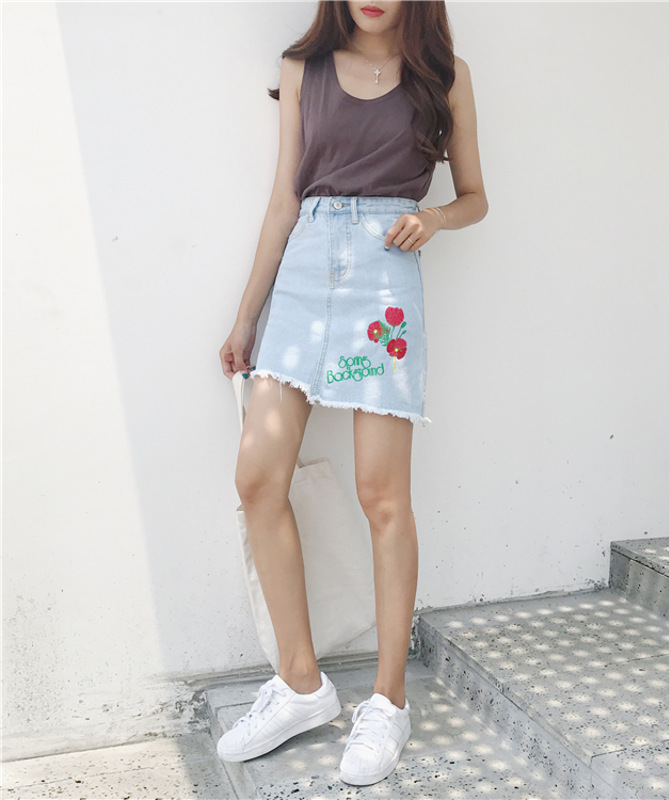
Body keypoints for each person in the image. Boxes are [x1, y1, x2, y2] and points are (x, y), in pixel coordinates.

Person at [217, 0, 487, 787]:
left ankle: (388, 701)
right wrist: (247, 315)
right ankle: (301, 683)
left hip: (384, 282)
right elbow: (283, 199)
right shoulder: (301, 70)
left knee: (383, 495)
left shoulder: (445, 76)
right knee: (257, 478)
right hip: (305, 275)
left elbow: (476, 196)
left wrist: (434, 218)